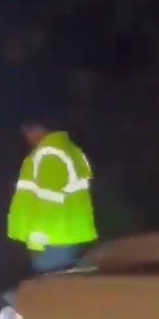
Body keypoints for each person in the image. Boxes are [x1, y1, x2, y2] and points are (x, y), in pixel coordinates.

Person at [7, 115, 98, 273]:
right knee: (62, 284)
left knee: (50, 286)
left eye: (27, 133)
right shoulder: (69, 150)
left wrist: (37, 238)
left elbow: (49, 199)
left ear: (37, 130)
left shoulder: (49, 154)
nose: (26, 138)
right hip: (66, 234)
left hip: (52, 239)